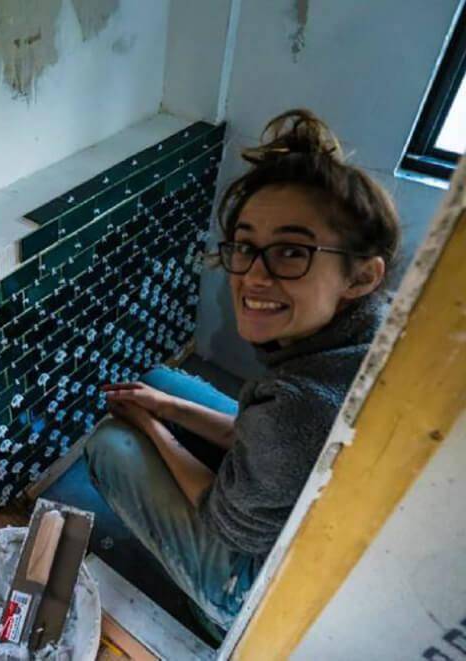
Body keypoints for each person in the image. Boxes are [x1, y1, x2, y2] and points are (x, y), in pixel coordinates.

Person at [87, 109, 401, 637]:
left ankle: (214, 617)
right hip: (310, 507)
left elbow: (220, 512)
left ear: (361, 276)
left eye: (291, 252)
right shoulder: (368, 327)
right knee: (161, 384)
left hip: (266, 588)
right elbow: (260, 434)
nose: (255, 274)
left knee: (110, 445)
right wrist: (163, 406)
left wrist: (149, 427)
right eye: (247, 246)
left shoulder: (301, 403)